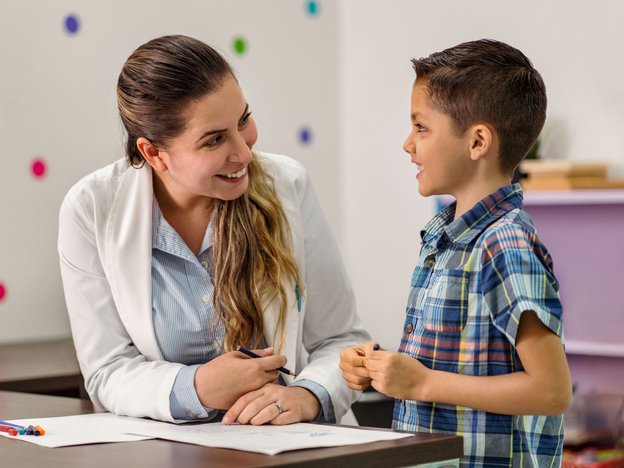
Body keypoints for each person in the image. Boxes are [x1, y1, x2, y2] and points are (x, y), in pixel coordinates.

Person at [58, 34, 368, 425]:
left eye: (243, 120)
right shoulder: (90, 208)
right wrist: (198, 387)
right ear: (153, 154)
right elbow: (107, 369)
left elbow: (342, 341)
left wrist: (309, 395)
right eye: (215, 140)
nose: (244, 152)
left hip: (291, 445)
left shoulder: (288, 184)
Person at [340, 39, 572, 466]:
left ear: (478, 141)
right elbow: (455, 363)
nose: (408, 144)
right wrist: (382, 370)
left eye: (421, 127)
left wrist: (423, 384)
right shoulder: (447, 239)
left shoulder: (504, 245)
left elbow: (551, 390)